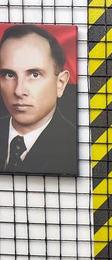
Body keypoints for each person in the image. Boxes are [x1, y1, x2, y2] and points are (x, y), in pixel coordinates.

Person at [0, 24, 76, 176]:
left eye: (34, 75)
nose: (18, 91)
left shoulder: (74, 145)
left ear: (60, 83)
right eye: (9, 75)